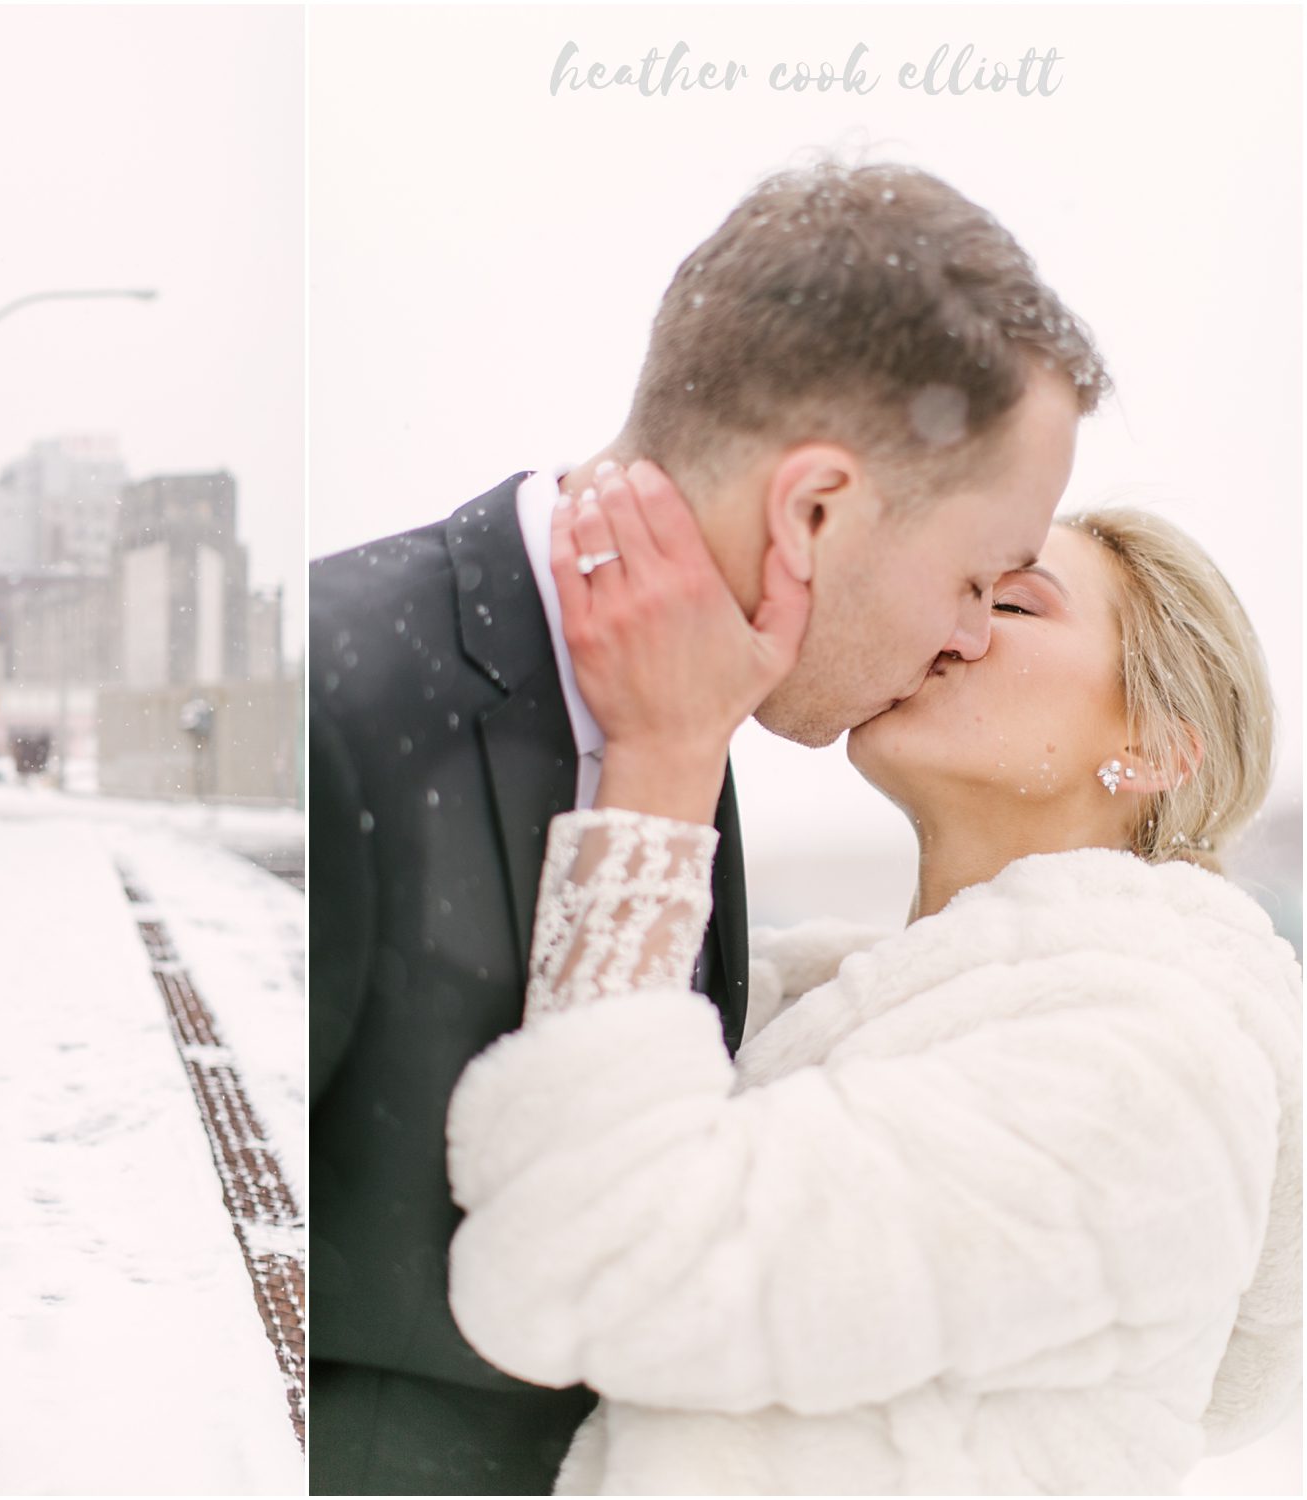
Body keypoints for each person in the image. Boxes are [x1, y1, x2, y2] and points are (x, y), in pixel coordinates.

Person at [307, 158, 1105, 1493]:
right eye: (975, 578)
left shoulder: (689, 713)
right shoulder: (341, 704)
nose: (967, 635)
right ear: (814, 512)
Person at [445, 473, 1301, 1493]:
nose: (955, 624)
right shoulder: (809, 1007)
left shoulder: (1155, 1067)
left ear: (1155, 750)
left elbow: (591, 1268)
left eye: (1014, 604)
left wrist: (664, 759)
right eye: (960, 589)